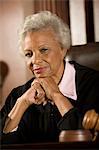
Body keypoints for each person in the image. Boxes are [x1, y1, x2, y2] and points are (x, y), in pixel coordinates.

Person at [0, 11, 99, 144]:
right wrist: (22, 103)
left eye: (43, 50)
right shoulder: (18, 95)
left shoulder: (94, 84)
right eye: (29, 54)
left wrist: (56, 95)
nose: (35, 60)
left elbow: (88, 141)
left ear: (63, 49)